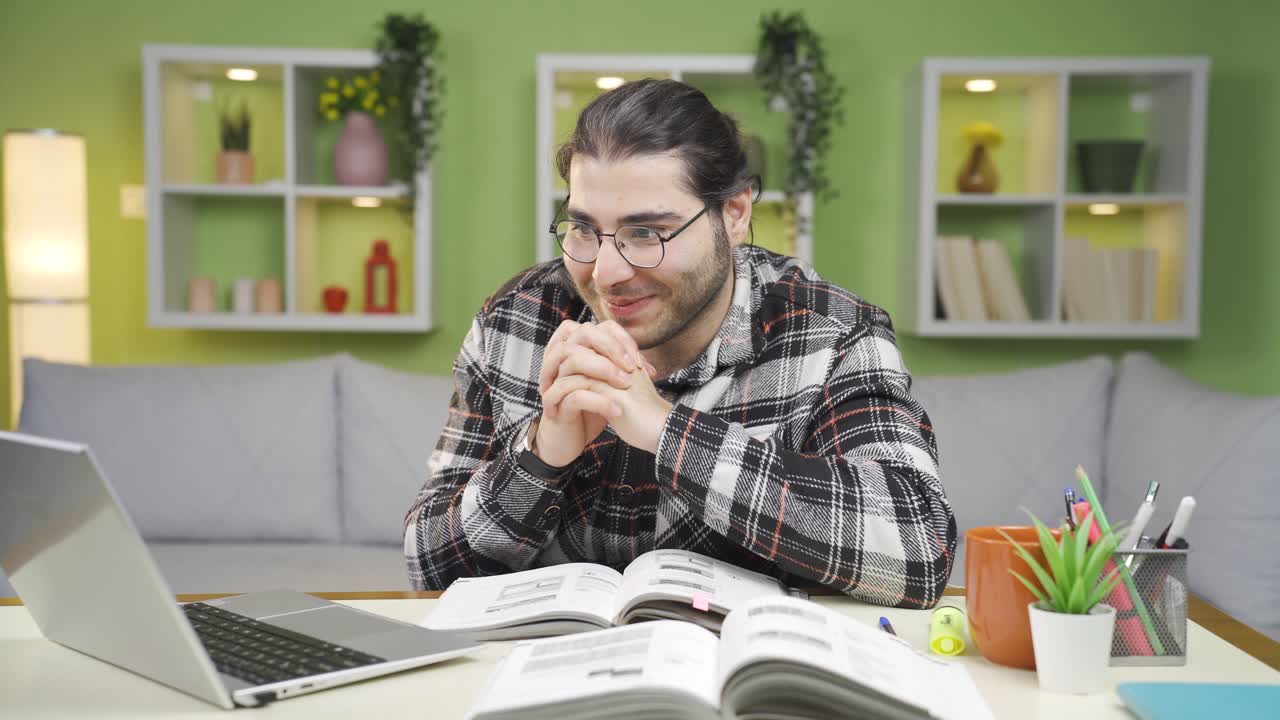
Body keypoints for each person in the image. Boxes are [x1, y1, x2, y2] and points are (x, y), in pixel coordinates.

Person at [405, 78, 955, 608]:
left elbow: (919, 551)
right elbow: (427, 567)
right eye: (585, 230)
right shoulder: (514, 322)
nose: (606, 273)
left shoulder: (832, 333)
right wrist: (541, 456)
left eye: (646, 233)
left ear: (734, 215)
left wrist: (668, 433)